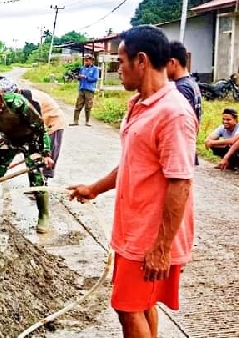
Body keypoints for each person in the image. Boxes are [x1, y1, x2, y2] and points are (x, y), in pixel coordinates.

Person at [68, 25, 197, 338]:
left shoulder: (173, 113)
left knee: (127, 308)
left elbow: (180, 183)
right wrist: (94, 189)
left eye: (120, 62)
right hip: (133, 230)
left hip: (149, 239)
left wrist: (162, 248)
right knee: (142, 304)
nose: (118, 70)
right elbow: (132, 165)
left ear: (141, 61)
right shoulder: (139, 106)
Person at [0, 79, 55, 234]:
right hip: (10, 139)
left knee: (36, 176)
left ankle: (43, 214)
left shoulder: (16, 102)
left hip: (31, 140)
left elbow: (40, 127)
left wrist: (45, 153)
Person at [0, 77, 67, 179]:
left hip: (52, 121)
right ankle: (37, 182)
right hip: (40, 122)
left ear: (16, 91)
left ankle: (42, 184)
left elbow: (37, 128)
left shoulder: (31, 101)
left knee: (44, 155)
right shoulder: (13, 102)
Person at [166, 41, 202, 165]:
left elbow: (181, 123)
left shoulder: (181, 88)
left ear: (172, 62)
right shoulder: (191, 83)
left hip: (181, 149)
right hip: (188, 146)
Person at [71, 54, 99, 127]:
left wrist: (86, 77)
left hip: (89, 90)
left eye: (87, 60)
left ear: (92, 60)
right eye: (85, 60)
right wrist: (78, 77)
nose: (86, 61)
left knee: (88, 107)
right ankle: (75, 121)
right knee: (78, 105)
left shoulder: (95, 69)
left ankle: (87, 121)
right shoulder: (82, 68)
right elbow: (80, 78)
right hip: (81, 89)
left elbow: (95, 79)